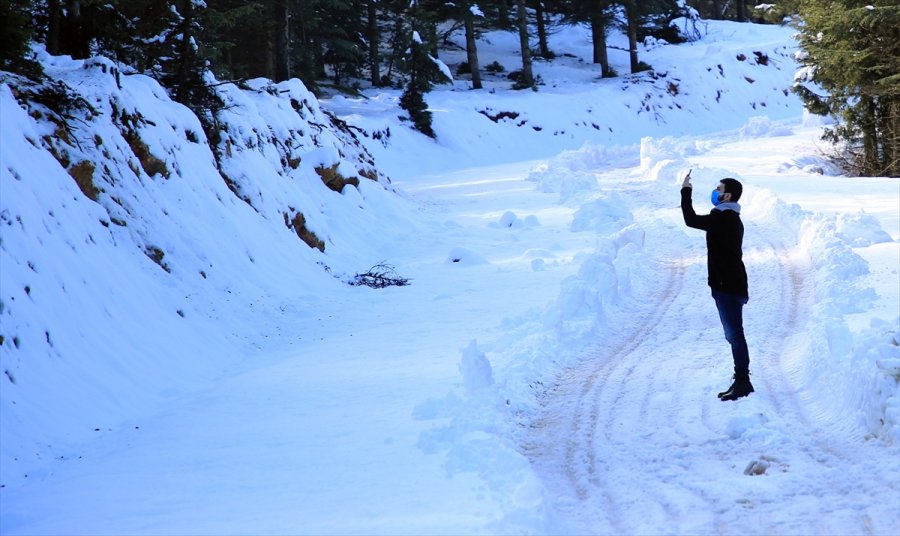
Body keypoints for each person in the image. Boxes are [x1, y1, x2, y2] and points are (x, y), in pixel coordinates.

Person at [680, 171, 753, 401]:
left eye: (718, 189)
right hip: (728, 285)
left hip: (728, 286)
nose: (715, 192)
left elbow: (690, 219)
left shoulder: (724, 219)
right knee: (733, 335)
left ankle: (743, 381)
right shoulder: (726, 217)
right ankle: (741, 380)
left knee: (735, 336)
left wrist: (685, 190)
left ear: (727, 195)